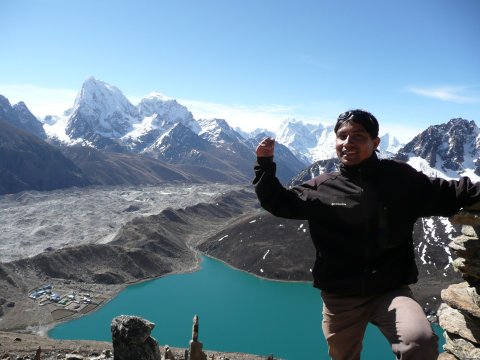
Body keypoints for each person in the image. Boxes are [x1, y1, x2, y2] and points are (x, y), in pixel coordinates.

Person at [253, 109, 480, 360]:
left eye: (358, 136)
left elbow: (451, 192)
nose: (348, 143)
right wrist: (264, 163)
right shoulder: (322, 187)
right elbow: (278, 202)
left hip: (390, 291)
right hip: (340, 297)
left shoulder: (401, 179)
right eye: (342, 136)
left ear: (375, 142)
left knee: (420, 342)